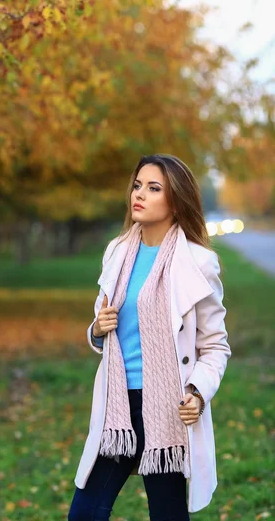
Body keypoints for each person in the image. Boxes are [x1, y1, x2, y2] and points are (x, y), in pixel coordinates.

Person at [68, 153, 232, 521]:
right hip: (119, 411)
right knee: (84, 514)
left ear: (175, 201)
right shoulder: (117, 252)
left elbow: (215, 345)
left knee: (168, 515)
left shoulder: (197, 263)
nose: (139, 194)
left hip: (168, 411)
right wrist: (96, 329)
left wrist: (198, 391)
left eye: (153, 188)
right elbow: (102, 331)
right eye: (138, 185)